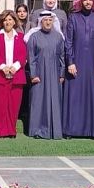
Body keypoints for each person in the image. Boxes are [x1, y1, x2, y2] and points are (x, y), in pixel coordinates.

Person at [63, 0, 94, 139]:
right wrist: (70, 62)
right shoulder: (73, 18)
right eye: (85, 0)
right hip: (76, 63)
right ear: (80, 2)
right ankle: (71, 130)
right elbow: (68, 42)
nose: (88, 2)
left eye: (90, 0)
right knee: (74, 96)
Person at [0, 10, 27, 138]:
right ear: (1, 22)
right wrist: (2, 67)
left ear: (14, 21)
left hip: (17, 76)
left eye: (10, 19)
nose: (7, 22)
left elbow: (23, 55)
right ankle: (1, 131)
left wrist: (15, 67)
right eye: (5, 20)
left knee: (14, 105)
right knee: (0, 105)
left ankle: (11, 131)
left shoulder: (21, 36)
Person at [27, 11, 66, 139]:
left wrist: (62, 74)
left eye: (50, 20)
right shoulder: (34, 37)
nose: (48, 22)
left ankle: (54, 131)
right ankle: (37, 131)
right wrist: (33, 75)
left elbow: (62, 57)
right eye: (45, 20)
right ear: (41, 22)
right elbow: (31, 57)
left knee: (54, 101)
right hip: (39, 74)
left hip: (55, 74)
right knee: (39, 101)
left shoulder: (59, 37)